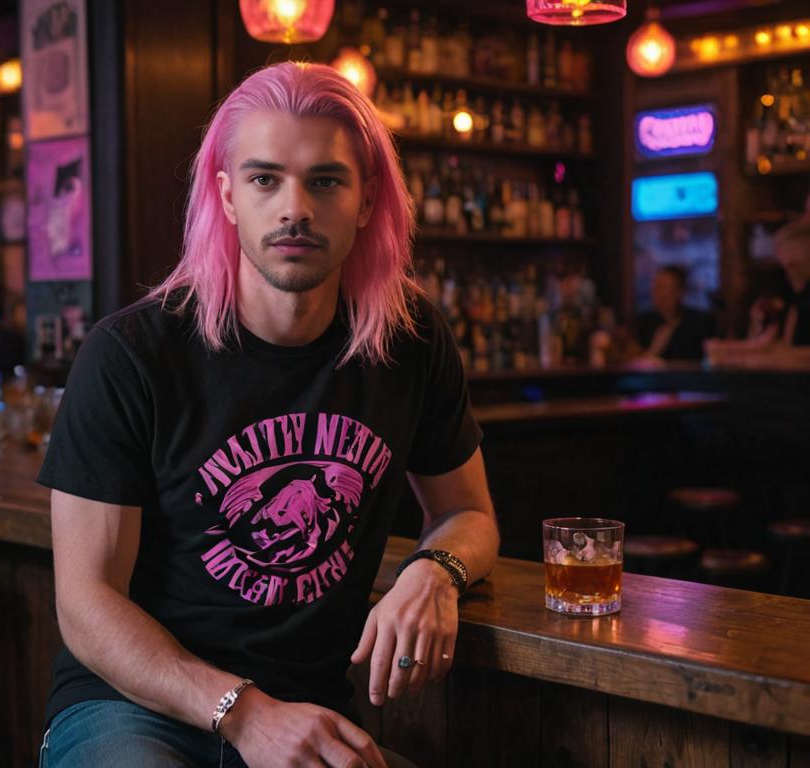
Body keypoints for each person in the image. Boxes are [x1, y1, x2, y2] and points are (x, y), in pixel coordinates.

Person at [36, 62, 500, 768]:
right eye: (264, 179)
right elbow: (86, 604)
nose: (295, 208)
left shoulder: (409, 340)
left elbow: (470, 514)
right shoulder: (133, 354)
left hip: (306, 711)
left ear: (368, 199)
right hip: (132, 709)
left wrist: (435, 571)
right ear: (226, 197)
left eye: (325, 180)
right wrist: (245, 715)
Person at [706, 216, 810, 369]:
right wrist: (729, 351)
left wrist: (745, 358)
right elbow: (776, 345)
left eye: (793, 264)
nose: (787, 266)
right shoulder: (792, 298)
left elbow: (796, 354)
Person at [631, 265, 716, 363]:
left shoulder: (700, 322)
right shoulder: (641, 322)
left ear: (680, 292)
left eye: (663, 287)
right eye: (655, 286)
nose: (656, 292)